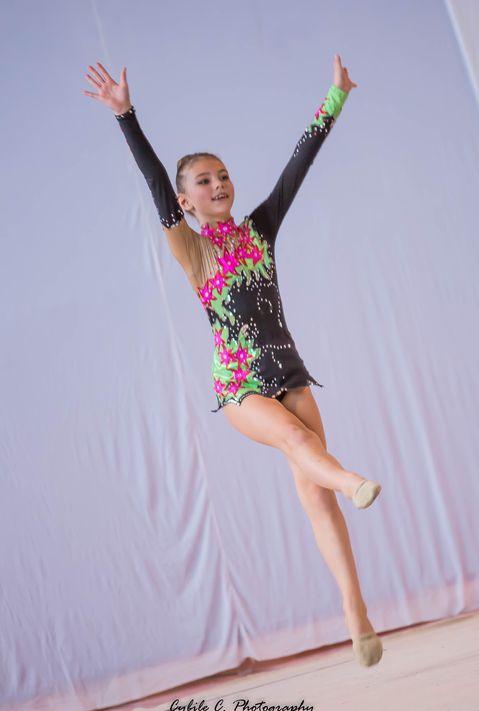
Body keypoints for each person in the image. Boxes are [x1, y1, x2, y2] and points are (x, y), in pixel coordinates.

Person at [83, 54, 383, 667]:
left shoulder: (260, 230)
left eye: (222, 175)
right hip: (241, 384)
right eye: (204, 181)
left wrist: (335, 97)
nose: (218, 184)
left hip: (290, 371)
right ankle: (352, 480)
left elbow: (298, 167)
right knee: (303, 447)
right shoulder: (189, 248)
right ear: (185, 200)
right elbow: (153, 182)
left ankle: (355, 611)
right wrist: (125, 116)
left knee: (315, 495)